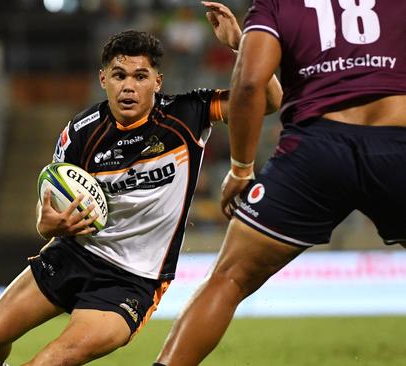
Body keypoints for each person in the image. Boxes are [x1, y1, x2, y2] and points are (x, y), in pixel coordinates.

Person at [0, 2, 281, 365]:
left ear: (157, 81)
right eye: (119, 76)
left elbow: (270, 100)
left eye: (140, 76)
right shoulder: (80, 133)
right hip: (74, 253)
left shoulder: (187, 115)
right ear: (104, 79)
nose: (129, 87)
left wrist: (240, 45)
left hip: (132, 279)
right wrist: (45, 223)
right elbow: (50, 204)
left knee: (47, 362)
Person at [155, 0, 406, 365]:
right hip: (398, 144)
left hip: (316, 151)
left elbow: (248, 84)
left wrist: (241, 168)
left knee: (229, 279)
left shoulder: (277, 3)